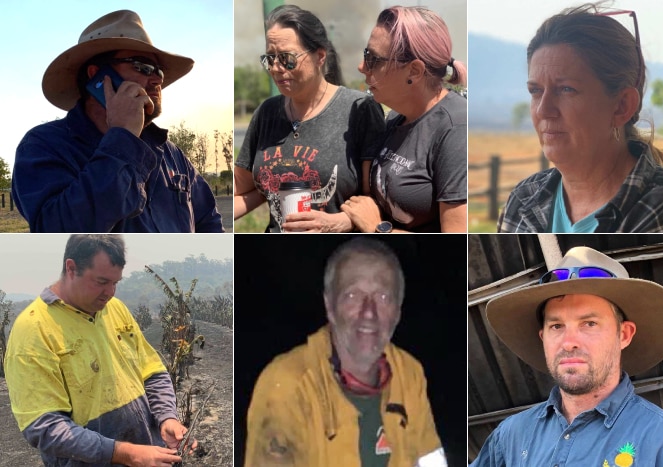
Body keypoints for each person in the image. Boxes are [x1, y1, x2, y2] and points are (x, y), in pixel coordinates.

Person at [471, 246, 663, 465]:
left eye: (589, 323)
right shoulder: (511, 436)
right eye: (556, 326)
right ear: (543, 337)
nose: (569, 342)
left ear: (624, 334)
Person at [11, 10, 224, 233]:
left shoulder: (172, 154)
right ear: (98, 76)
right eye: (143, 67)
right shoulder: (44, 145)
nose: (158, 79)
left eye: (159, 71)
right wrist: (123, 138)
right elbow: (59, 230)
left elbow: (208, 221)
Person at [244, 237, 446, 466]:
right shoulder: (286, 383)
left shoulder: (410, 372)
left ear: (397, 311)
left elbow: (430, 456)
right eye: (353, 295)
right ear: (329, 306)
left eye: (383, 297)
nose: (369, 313)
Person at [498, 5, 663, 233]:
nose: (544, 110)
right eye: (535, 91)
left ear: (622, 106)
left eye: (566, 89)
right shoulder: (523, 200)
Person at [4, 235, 197, 466]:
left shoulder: (114, 308)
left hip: (149, 456)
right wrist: (126, 453)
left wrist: (167, 419)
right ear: (71, 268)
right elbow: (45, 427)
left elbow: (152, 372)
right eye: (102, 281)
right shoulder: (34, 330)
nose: (110, 292)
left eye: (116, 283)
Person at [234, 4, 386, 233]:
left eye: (287, 59)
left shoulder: (360, 110)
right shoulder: (266, 113)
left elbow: (378, 200)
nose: (276, 68)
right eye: (269, 59)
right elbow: (242, 189)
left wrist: (341, 222)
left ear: (320, 56)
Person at [341, 6, 468, 233]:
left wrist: (377, 228)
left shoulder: (456, 130)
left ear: (414, 71)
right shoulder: (398, 117)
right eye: (365, 54)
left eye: (373, 59)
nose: (362, 67)